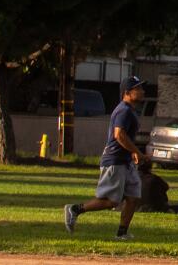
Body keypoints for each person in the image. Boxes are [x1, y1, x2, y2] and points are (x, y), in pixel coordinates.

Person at [63, 75, 146, 242]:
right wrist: (136, 151)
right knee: (110, 201)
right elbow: (119, 135)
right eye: (138, 88)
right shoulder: (123, 110)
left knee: (133, 196)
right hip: (114, 161)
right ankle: (75, 209)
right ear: (127, 92)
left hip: (125, 162)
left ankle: (122, 232)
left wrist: (132, 154)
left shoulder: (130, 110)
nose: (142, 91)